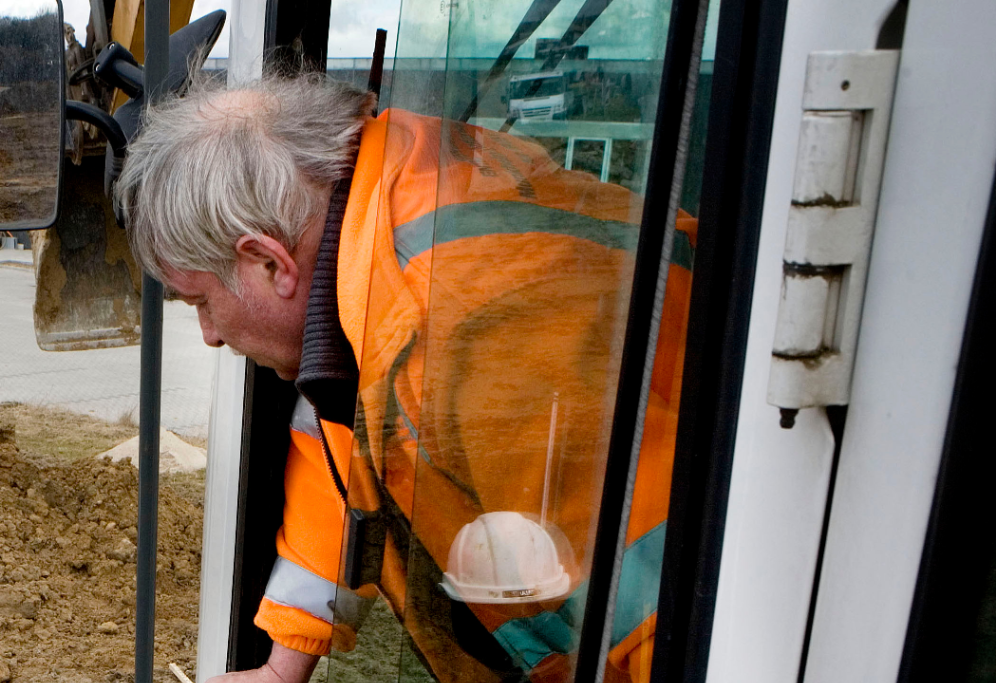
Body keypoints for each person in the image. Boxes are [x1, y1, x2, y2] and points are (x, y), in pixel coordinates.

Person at [115, 74, 692, 683]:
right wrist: (281, 670)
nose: (209, 334)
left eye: (199, 301)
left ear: (267, 262)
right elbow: (343, 447)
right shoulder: (374, 211)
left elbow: (656, 598)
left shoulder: (471, 330)